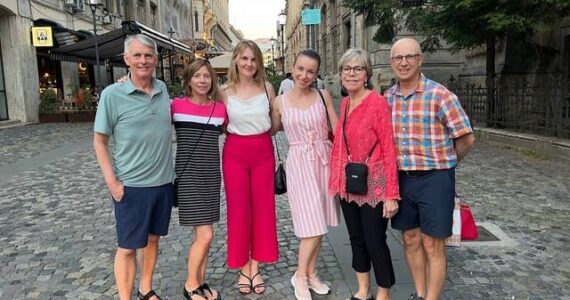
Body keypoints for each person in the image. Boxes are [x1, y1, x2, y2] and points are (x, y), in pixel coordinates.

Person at [385, 38, 475, 300]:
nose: (404, 62)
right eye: (398, 58)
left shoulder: (440, 95)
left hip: (435, 179)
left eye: (409, 57)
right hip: (402, 179)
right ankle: (420, 292)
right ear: (391, 63)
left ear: (420, 59)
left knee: (432, 243)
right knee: (411, 239)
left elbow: (466, 137)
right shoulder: (387, 98)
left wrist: (447, 163)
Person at [93, 34, 175, 300]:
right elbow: (100, 141)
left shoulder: (163, 90)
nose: (143, 60)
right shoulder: (112, 95)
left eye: (148, 55)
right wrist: (112, 183)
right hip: (131, 186)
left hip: (162, 183)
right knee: (127, 247)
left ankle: (146, 289)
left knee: (153, 240)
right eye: (137, 55)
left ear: (155, 59)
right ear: (126, 59)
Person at [328, 48, 400, 300]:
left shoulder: (377, 103)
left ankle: (383, 292)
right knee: (356, 238)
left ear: (367, 74)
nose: (351, 74)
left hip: (375, 183)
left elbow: (389, 148)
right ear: (341, 75)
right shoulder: (346, 102)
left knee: (375, 240)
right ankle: (362, 290)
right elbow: (341, 143)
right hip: (349, 182)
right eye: (347, 69)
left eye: (358, 69)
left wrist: (392, 193)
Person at [271, 49, 340, 300]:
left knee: (320, 222)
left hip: (324, 160)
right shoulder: (280, 102)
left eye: (310, 71)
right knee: (310, 223)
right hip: (299, 163)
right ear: (293, 67)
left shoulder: (323, 96)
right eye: (301, 69)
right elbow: (269, 129)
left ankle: (311, 274)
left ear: (316, 74)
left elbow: (337, 128)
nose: (304, 75)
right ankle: (299, 276)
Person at [220, 40, 278, 295]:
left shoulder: (267, 88)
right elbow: (218, 122)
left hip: (263, 151)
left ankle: (256, 266)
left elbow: (275, 124)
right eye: (244, 59)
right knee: (239, 211)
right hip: (235, 153)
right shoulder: (223, 91)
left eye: (253, 59)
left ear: (259, 63)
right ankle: (244, 266)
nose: (249, 64)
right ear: (235, 60)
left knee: (263, 209)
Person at [171, 59, 226, 300]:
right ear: (188, 80)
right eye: (197, 76)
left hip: (211, 175)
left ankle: (201, 282)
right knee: (206, 235)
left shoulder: (220, 109)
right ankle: (191, 285)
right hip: (188, 175)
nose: (202, 80)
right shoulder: (175, 106)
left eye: (206, 76)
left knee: (204, 234)